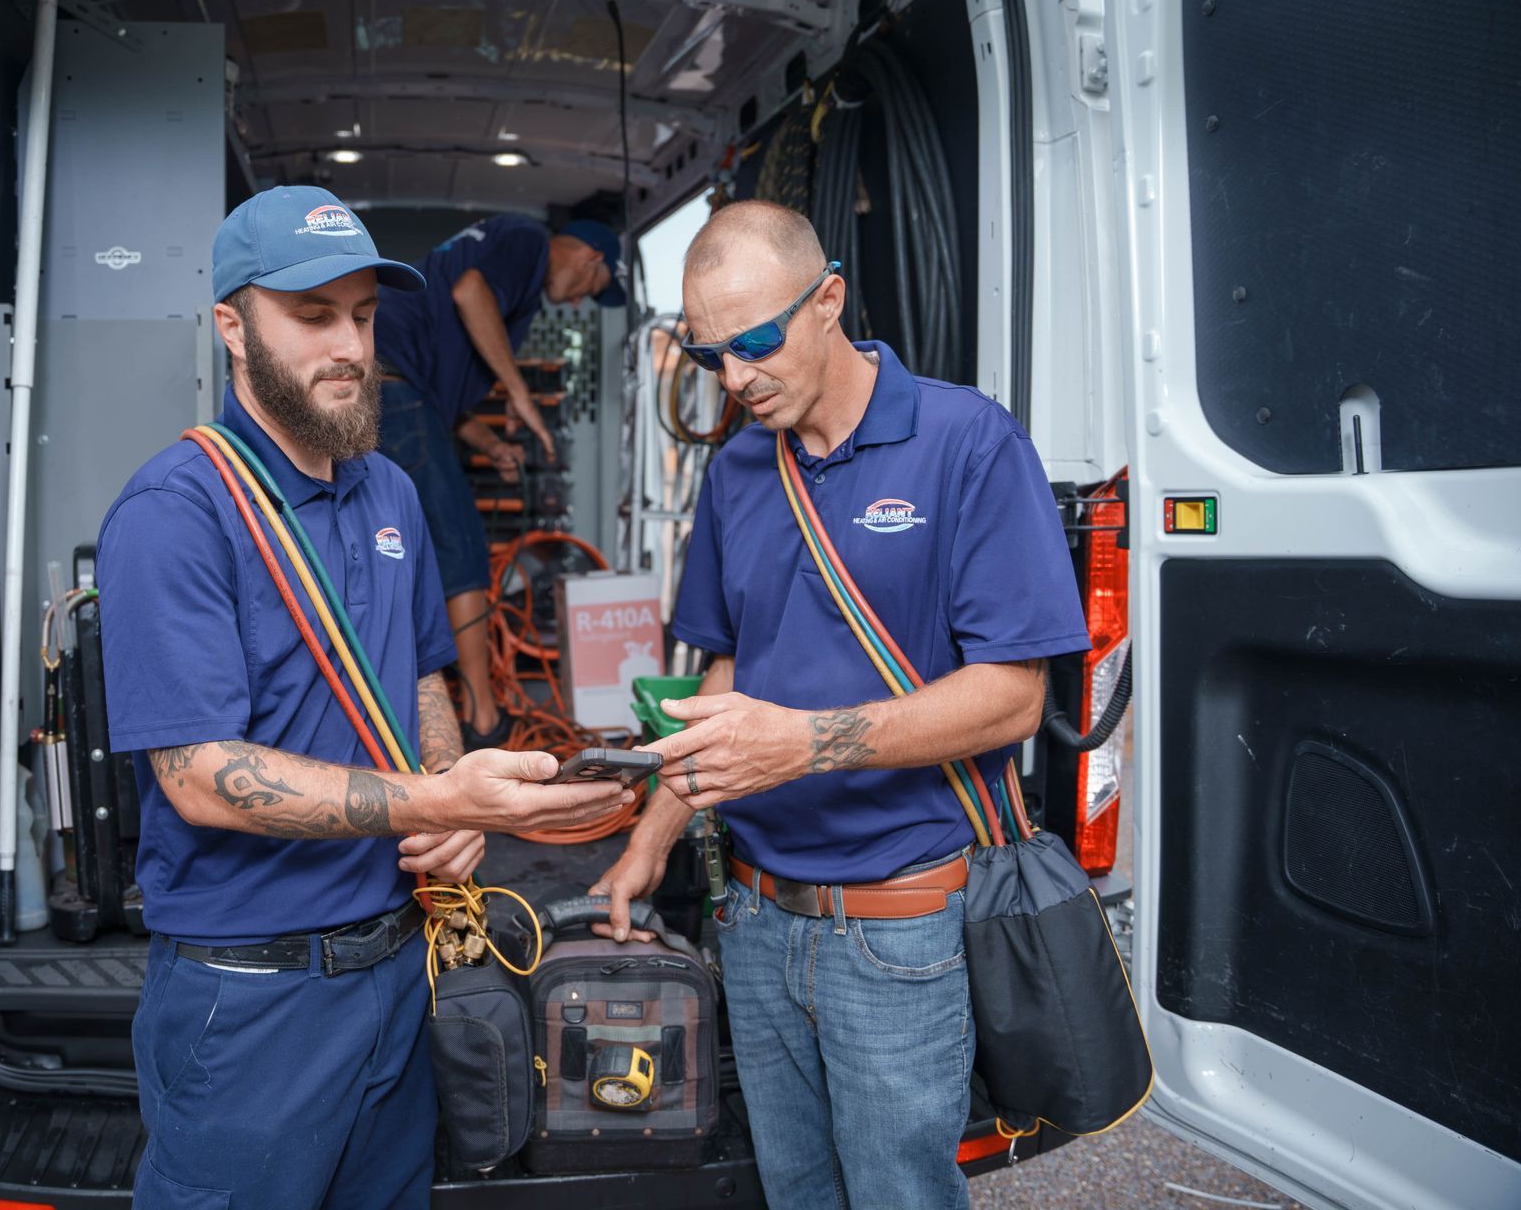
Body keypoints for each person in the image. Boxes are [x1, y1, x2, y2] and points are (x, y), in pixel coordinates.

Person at [96, 186, 636, 1209]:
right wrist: (447, 802)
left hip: (398, 971)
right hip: (253, 997)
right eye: (311, 316)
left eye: (362, 314)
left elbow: (423, 672)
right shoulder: (177, 511)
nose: (347, 344)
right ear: (231, 324)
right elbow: (201, 777)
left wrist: (442, 781)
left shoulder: (387, 488)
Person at [589, 201, 1089, 1210]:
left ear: (828, 300)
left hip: (896, 926)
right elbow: (730, 673)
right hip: (757, 916)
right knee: (796, 1190)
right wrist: (654, 833)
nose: (732, 379)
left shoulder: (967, 442)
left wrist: (805, 745)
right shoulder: (735, 470)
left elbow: (1015, 698)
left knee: (900, 1193)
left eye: (755, 343)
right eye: (708, 354)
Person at [373, 214, 628, 748]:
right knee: (461, 553)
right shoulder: (526, 239)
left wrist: (492, 446)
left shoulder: (513, 279)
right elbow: (470, 293)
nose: (578, 303)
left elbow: (433, 407)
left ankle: (405, 706)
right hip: (392, 389)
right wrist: (518, 392)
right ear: (591, 259)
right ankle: (484, 722)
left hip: (392, 393)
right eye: (593, 290)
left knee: (397, 557)